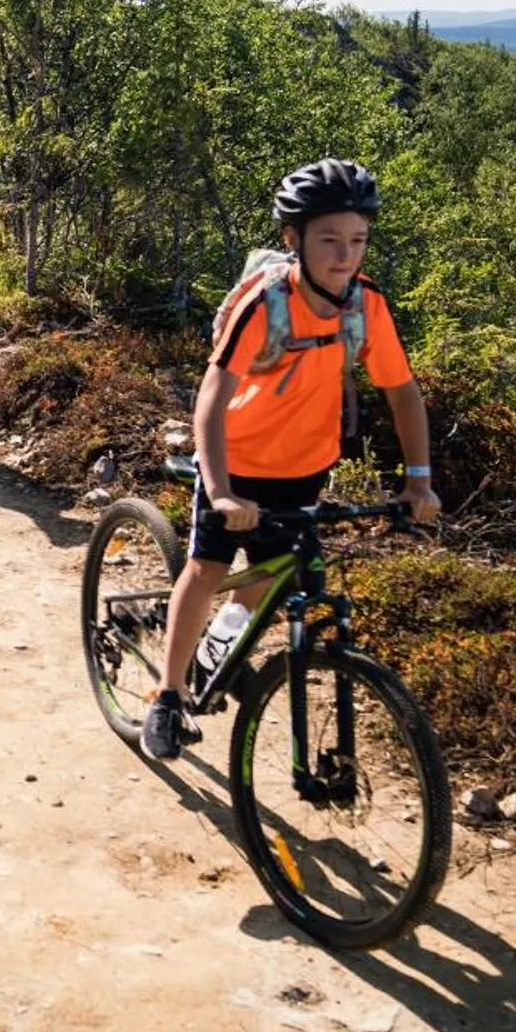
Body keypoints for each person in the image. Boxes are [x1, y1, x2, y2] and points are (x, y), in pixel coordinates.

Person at [143, 157, 442, 763]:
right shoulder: (267, 303)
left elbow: (403, 392)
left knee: (262, 586)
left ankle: (214, 652)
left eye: (358, 240)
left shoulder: (367, 307)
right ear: (293, 239)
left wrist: (419, 481)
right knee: (205, 571)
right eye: (329, 239)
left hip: (306, 467)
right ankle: (167, 698)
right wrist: (222, 490)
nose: (345, 255)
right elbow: (211, 397)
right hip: (236, 458)